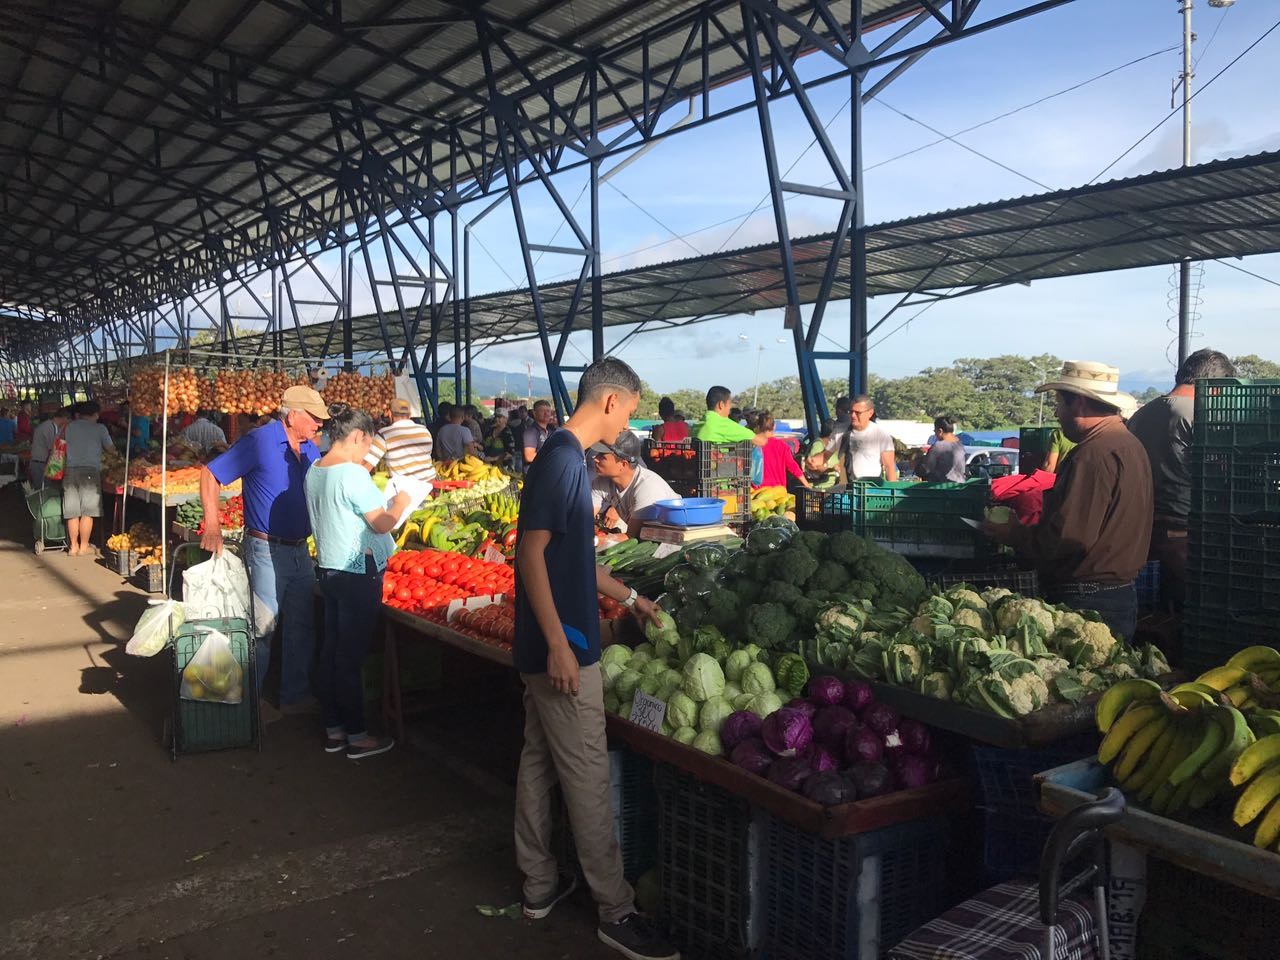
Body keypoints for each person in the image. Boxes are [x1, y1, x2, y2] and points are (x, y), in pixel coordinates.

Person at [513, 356, 678, 960]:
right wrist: (560, 642)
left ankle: (539, 884)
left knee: (538, 761)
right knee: (585, 774)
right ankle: (616, 909)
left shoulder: (561, 457)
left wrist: (633, 599)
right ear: (611, 401)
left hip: (546, 641)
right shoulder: (562, 462)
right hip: (565, 646)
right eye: (630, 412)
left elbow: (575, 558)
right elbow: (530, 558)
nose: (627, 426)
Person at [985, 361, 1152, 641]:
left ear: (1079, 405)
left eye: (1059, 403)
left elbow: (1070, 538)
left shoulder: (1092, 454)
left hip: (1089, 599)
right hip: (1119, 593)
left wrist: (1015, 534)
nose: (1056, 413)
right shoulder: (1130, 444)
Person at [201, 385, 327, 722]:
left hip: (301, 550)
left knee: (301, 625)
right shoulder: (260, 441)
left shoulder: (310, 448)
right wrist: (212, 524)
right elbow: (211, 473)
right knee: (262, 629)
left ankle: (294, 696)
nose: (319, 424)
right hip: (266, 549)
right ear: (293, 415)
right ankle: (247, 705)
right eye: (314, 418)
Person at [306, 404, 410, 760]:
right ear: (357, 437)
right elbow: (382, 523)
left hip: (328, 571)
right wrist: (401, 503)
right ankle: (357, 736)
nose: (369, 453)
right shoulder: (352, 475)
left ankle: (334, 729)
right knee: (349, 658)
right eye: (368, 444)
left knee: (332, 651)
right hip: (356, 574)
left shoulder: (314, 470)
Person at [1127, 348, 1236, 612]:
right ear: (1214, 386)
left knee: (1155, 612)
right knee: (1190, 612)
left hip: (1143, 532)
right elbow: (1219, 470)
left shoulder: (1141, 414)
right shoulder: (1199, 415)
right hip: (1184, 532)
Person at [589, 430, 678, 536]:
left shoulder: (648, 488)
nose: (595, 459)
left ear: (623, 464)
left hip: (671, 545)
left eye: (602, 457)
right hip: (646, 540)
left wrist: (596, 540)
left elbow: (631, 536)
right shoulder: (601, 482)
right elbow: (584, 518)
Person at [61, 401, 116, 556]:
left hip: (70, 471)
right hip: (90, 472)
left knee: (72, 511)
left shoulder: (69, 426)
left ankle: (73, 547)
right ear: (95, 414)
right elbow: (111, 449)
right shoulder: (100, 428)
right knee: (88, 511)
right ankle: (84, 547)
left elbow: (61, 446)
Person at [364, 397, 438, 485]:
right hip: (430, 484)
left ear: (390, 414)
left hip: (404, 490)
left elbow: (367, 465)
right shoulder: (425, 431)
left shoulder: (384, 434)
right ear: (410, 415)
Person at [837, 395, 897, 482]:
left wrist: (892, 491)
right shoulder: (843, 434)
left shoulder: (881, 435)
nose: (853, 415)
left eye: (858, 412)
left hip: (872, 488)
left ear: (870, 413)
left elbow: (889, 466)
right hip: (850, 487)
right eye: (851, 411)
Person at [747, 410, 809, 490]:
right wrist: (807, 485)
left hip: (756, 492)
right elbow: (793, 467)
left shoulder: (750, 445)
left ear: (757, 426)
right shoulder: (782, 446)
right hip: (778, 493)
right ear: (774, 426)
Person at [29, 406, 70, 488]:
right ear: (65, 418)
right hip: (40, 464)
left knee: (45, 489)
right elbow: (53, 449)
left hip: (41, 463)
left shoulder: (52, 426)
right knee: (43, 491)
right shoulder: (49, 427)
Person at [919, 416, 967, 483]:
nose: (935, 434)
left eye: (935, 431)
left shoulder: (939, 446)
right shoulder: (959, 444)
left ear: (940, 431)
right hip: (960, 484)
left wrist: (916, 464)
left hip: (942, 488)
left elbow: (927, 469)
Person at [804, 419, 839, 489]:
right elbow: (813, 466)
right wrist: (831, 468)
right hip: (819, 489)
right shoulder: (818, 445)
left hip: (832, 487)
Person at [522, 400, 557, 465]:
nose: (546, 414)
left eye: (548, 411)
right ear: (534, 413)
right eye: (542, 411)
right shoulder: (531, 432)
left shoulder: (552, 430)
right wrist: (554, 456)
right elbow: (529, 457)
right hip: (535, 473)